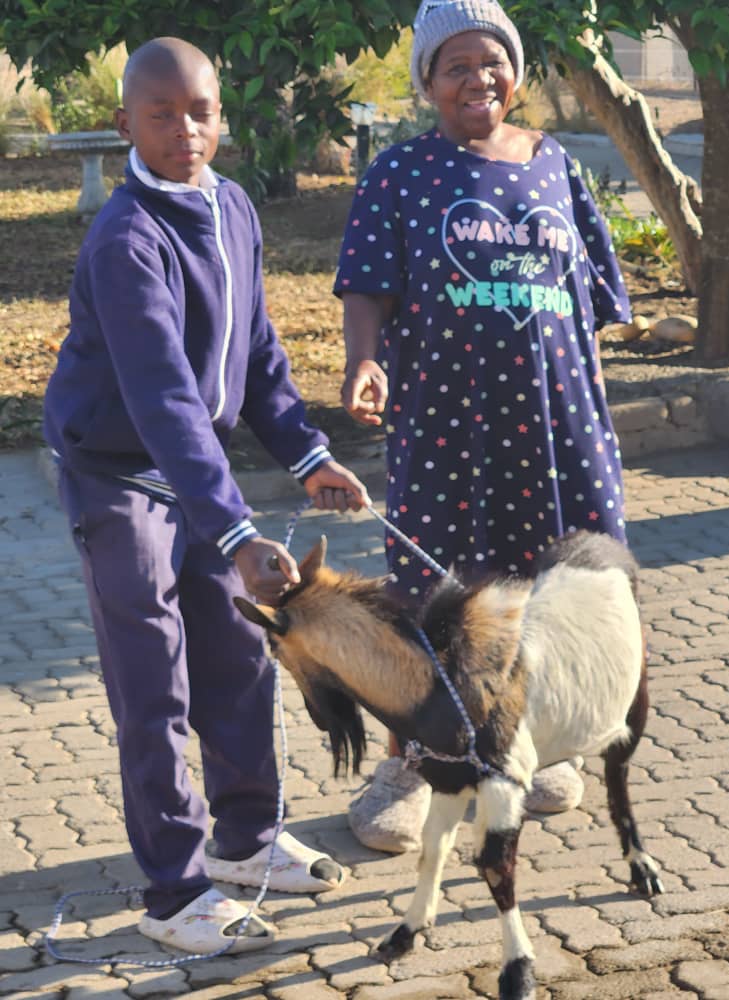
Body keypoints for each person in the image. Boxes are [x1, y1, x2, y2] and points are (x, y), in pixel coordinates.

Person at [44, 36, 372, 955]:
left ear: (222, 116)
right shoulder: (125, 240)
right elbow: (160, 397)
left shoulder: (230, 206)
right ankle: (176, 892)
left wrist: (308, 454)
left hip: (195, 469)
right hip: (121, 476)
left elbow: (257, 348)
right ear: (125, 126)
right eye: (162, 114)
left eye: (202, 111)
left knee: (237, 656)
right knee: (153, 682)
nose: (186, 130)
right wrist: (234, 532)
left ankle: (247, 839)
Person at [334, 0, 631, 853]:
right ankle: (410, 763)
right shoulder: (400, 173)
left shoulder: (556, 165)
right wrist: (365, 359)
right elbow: (366, 284)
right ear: (428, 81)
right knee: (434, 597)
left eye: (492, 61)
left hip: (555, 425)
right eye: (455, 65)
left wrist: (591, 396)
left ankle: (541, 747)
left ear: (517, 71)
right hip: (446, 426)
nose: (478, 79)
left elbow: (595, 302)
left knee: (552, 593)